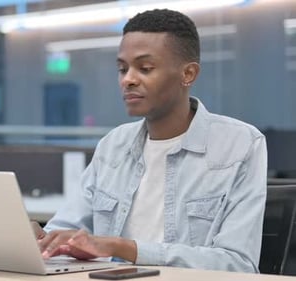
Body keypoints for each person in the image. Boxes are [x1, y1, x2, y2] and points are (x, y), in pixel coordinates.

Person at [33, 9, 267, 273]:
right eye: (122, 69)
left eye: (145, 68)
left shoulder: (240, 144)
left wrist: (122, 248)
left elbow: (238, 265)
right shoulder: (114, 145)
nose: (128, 80)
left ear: (188, 74)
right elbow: (65, 229)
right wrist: (40, 238)